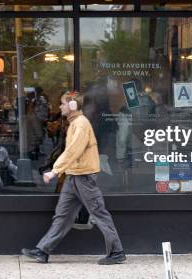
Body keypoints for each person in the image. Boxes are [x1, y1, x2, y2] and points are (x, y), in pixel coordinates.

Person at [21, 91, 126, 265]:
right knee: (62, 216)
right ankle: (42, 251)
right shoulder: (74, 123)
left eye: (62, 103)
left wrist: (55, 171)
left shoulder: (80, 125)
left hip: (83, 177)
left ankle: (117, 252)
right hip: (73, 176)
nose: (60, 107)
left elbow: (73, 151)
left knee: (99, 213)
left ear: (72, 106)